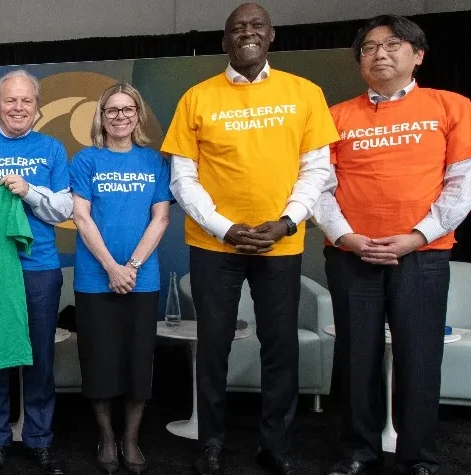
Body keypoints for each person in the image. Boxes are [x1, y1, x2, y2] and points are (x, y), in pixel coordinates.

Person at [315, 15, 471, 475]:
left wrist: (416, 237)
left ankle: (418, 455)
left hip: (423, 255)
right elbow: (318, 185)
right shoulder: (337, 116)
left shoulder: (450, 106)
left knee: (419, 355)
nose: (380, 53)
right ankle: (358, 451)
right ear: (359, 61)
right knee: (356, 357)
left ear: (418, 54)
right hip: (351, 255)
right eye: (369, 47)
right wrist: (348, 238)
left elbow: (463, 186)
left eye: (393, 44)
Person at [159, 4, 339, 474]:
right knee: (213, 344)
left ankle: (275, 445)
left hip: (280, 242)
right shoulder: (198, 97)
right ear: (225, 41)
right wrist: (224, 227)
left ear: (271, 35)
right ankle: (211, 442)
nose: (247, 33)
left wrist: (286, 222)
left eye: (256, 26)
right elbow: (182, 176)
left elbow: (317, 169)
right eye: (237, 28)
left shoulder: (304, 93)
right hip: (214, 244)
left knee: (279, 345)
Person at [0, 69, 70, 475]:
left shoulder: (53, 149)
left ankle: (39, 439)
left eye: (26, 101)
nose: (18, 108)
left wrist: (29, 191)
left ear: (37, 108)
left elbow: (65, 209)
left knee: (40, 357)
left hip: (40, 266)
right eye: (10, 100)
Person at [69, 84, 171, 475]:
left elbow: (160, 218)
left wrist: (131, 266)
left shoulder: (154, 162)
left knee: (137, 364)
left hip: (141, 281)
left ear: (138, 115)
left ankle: (130, 439)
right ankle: (107, 438)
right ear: (101, 116)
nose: (120, 116)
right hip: (96, 281)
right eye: (111, 110)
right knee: (99, 363)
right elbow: (81, 217)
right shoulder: (86, 160)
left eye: (127, 110)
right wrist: (112, 268)